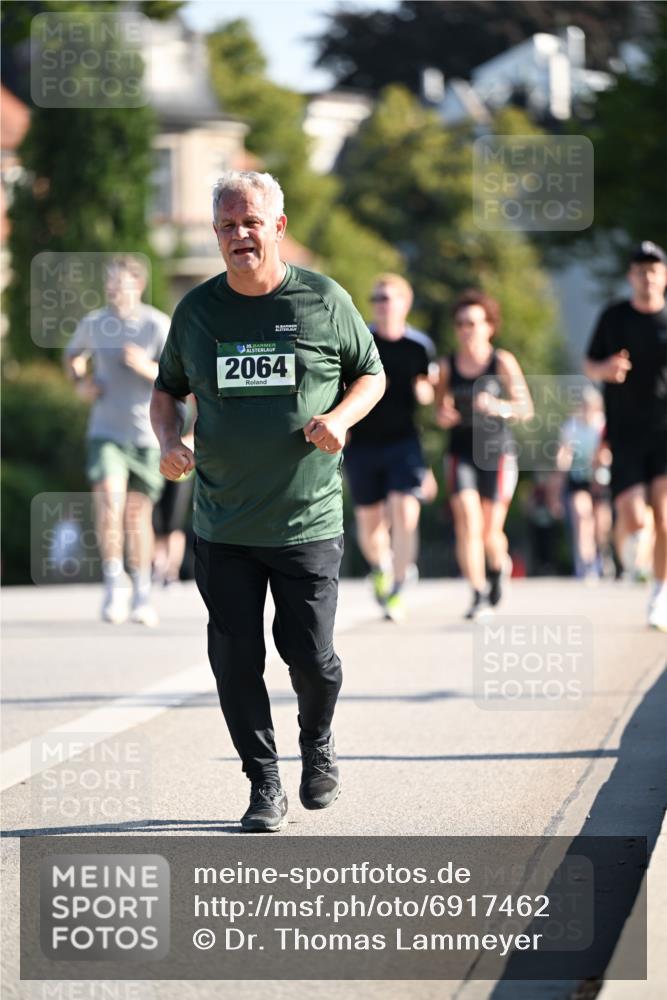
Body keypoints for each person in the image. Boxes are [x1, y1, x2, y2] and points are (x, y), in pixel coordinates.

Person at [150, 170, 385, 833]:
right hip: (222, 521)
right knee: (233, 660)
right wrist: (169, 438)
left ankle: (317, 743)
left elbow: (371, 372)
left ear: (277, 227)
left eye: (250, 222)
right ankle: (263, 783)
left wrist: (340, 418)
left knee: (310, 656)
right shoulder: (196, 312)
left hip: (306, 518)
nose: (238, 235)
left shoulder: (322, 299)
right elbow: (166, 389)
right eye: (226, 225)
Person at [64, 255, 169, 627]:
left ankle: (141, 590)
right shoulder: (95, 323)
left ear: (137, 286)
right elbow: (73, 356)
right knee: (110, 501)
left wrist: (147, 368)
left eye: (120, 283)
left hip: (147, 435)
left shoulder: (157, 325)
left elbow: (179, 379)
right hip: (105, 432)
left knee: (137, 515)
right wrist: (81, 382)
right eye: (109, 283)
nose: (113, 289)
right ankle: (113, 581)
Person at [343, 273, 436, 622]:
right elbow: (342, 382)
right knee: (369, 526)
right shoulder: (361, 340)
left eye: (387, 298)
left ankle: (397, 587)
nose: (381, 304)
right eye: (376, 298)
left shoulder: (419, 346)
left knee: (404, 511)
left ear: (404, 303)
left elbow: (430, 386)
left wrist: (427, 392)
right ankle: (381, 566)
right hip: (363, 443)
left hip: (404, 442)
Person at [584, 241, 667, 630]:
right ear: (630, 276)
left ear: (663, 276)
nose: (647, 276)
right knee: (634, 515)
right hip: (626, 431)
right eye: (639, 269)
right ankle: (636, 546)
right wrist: (607, 369)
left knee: (664, 516)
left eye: (653, 269)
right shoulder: (614, 317)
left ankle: (660, 592)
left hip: (665, 432)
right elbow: (589, 365)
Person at [435, 290, 533, 619]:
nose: (466, 329)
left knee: (490, 531)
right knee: (467, 522)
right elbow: (439, 408)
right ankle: (477, 592)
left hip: (496, 452)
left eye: (473, 323)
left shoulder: (501, 361)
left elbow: (526, 408)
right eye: (461, 323)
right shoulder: (447, 364)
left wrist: (498, 406)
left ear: (489, 326)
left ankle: (496, 567)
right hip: (460, 452)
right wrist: (443, 414)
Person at [551, 387, 610, 581]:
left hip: (600, 478)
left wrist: (598, 466)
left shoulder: (602, 425)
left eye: (589, 406)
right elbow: (564, 453)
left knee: (601, 524)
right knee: (581, 516)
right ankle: (586, 563)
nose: (586, 409)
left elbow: (606, 454)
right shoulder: (571, 427)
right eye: (582, 406)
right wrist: (556, 490)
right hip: (578, 478)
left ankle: (602, 555)